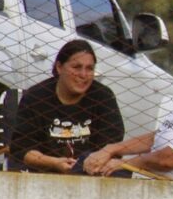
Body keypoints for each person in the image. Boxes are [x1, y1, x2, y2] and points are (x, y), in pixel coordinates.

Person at [10, 39, 125, 175]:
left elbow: (111, 148)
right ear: (59, 67)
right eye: (76, 67)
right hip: (43, 174)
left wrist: (85, 164)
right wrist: (53, 162)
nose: (83, 75)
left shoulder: (103, 97)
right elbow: (21, 149)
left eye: (89, 68)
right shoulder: (35, 97)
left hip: (92, 174)